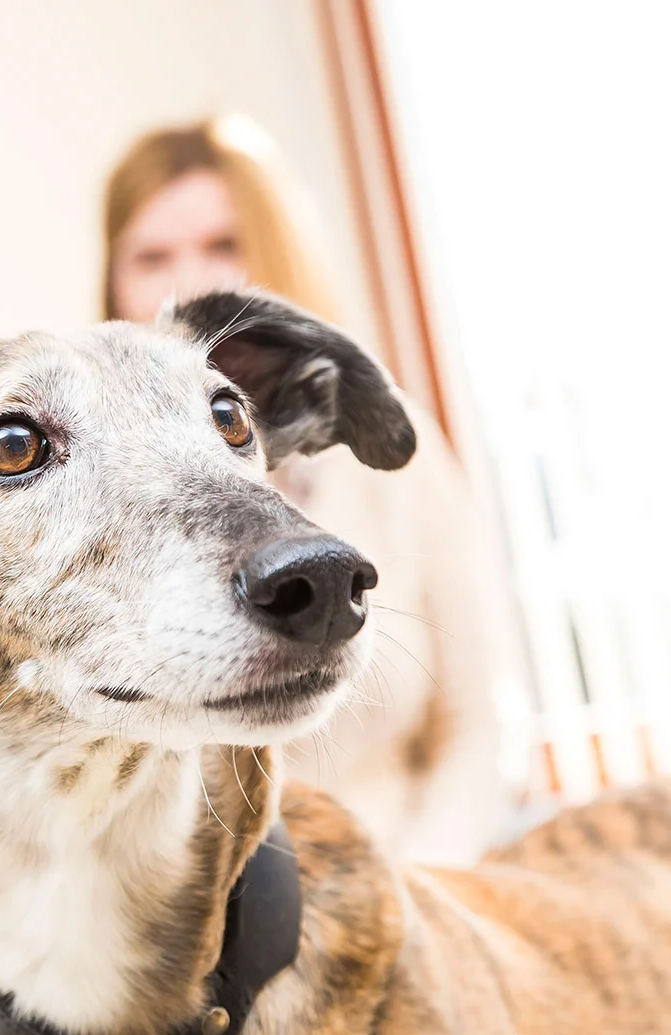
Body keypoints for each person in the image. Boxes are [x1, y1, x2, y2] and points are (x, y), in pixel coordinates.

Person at [100, 116, 534, 864]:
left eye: (224, 245)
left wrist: (415, 896)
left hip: (407, 885)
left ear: (278, 255)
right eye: (151, 256)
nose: (191, 282)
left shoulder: (398, 461)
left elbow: (481, 721)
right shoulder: (84, 502)